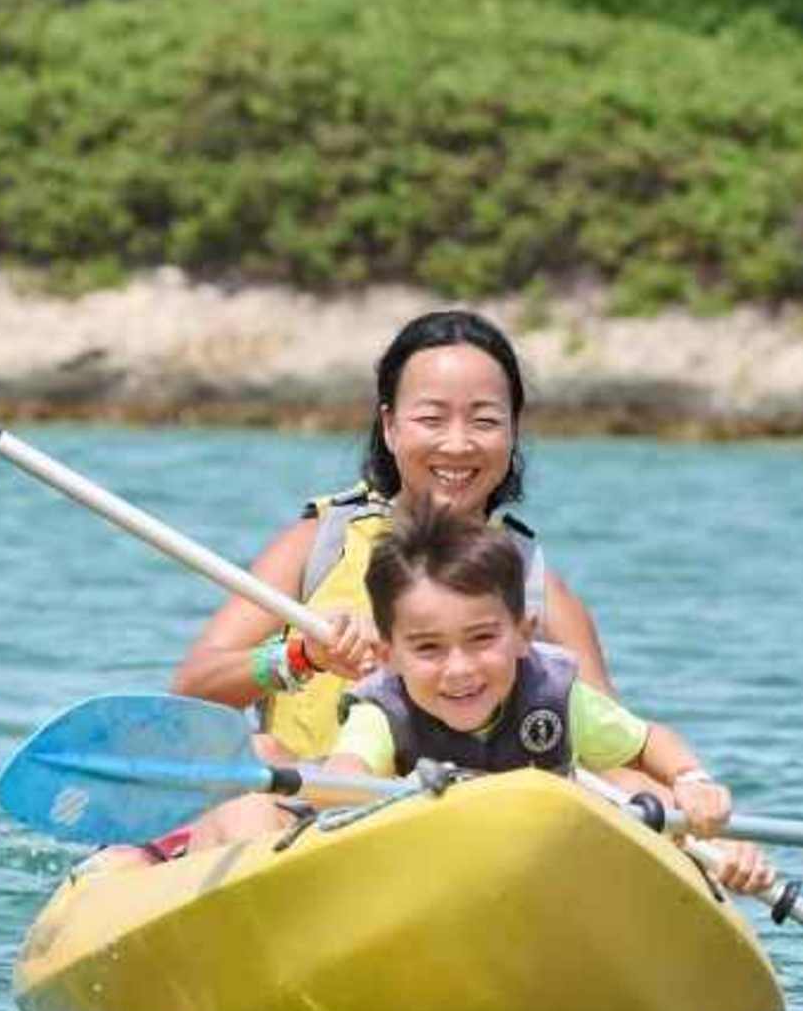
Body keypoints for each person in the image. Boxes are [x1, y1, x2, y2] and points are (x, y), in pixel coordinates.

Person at [121, 507, 770, 894]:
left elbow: (647, 741)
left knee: (642, 803)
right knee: (257, 777)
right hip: (408, 859)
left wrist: (694, 783)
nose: (459, 669)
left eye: (482, 639)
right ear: (391, 655)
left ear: (522, 633)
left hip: (515, 866)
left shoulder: (554, 694)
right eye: (428, 648)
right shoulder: (384, 710)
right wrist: (333, 789)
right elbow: (348, 773)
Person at [172, 308, 613, 760]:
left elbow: (619, 749)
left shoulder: (536, 586)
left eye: (484, 421)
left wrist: (682, 785)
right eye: (432, 419)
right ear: (390, 426)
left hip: (467, 819)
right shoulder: (318, 544)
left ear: (513, 431)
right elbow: (192, 689)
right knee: (261, 751)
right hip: (309, 810)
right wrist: (303, 656)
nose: (458, 444)